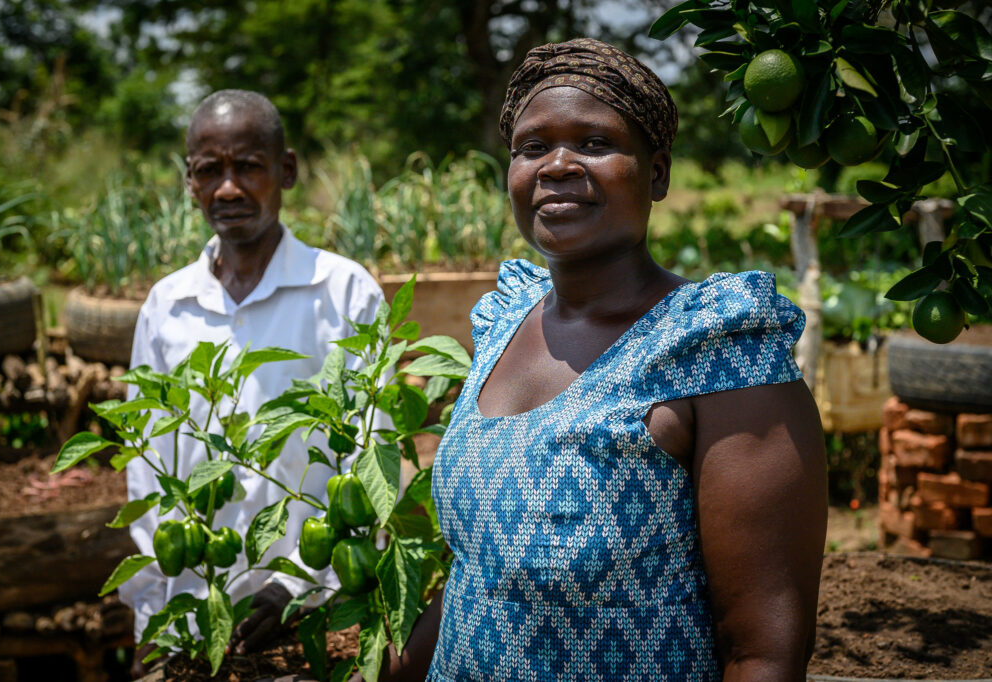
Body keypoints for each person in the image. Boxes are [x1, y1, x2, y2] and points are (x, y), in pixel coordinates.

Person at [368, 38, 827, 681]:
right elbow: (480, 575)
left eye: (592, 143)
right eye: (532, 147)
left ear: (657, 172)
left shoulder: (716, 351)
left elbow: (764, 654)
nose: (556, 165)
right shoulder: (504, 325)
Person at [119, 89, 387, 679]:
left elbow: (374, 457)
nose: (228, 189)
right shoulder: (168, 305)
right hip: (193, 608)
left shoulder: (342, 292)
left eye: (248, 166)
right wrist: (149, 614)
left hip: (313, 618)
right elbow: (147, 468)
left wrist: (297, 583)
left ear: (285, 170)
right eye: (209, 170)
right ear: (189, 180)